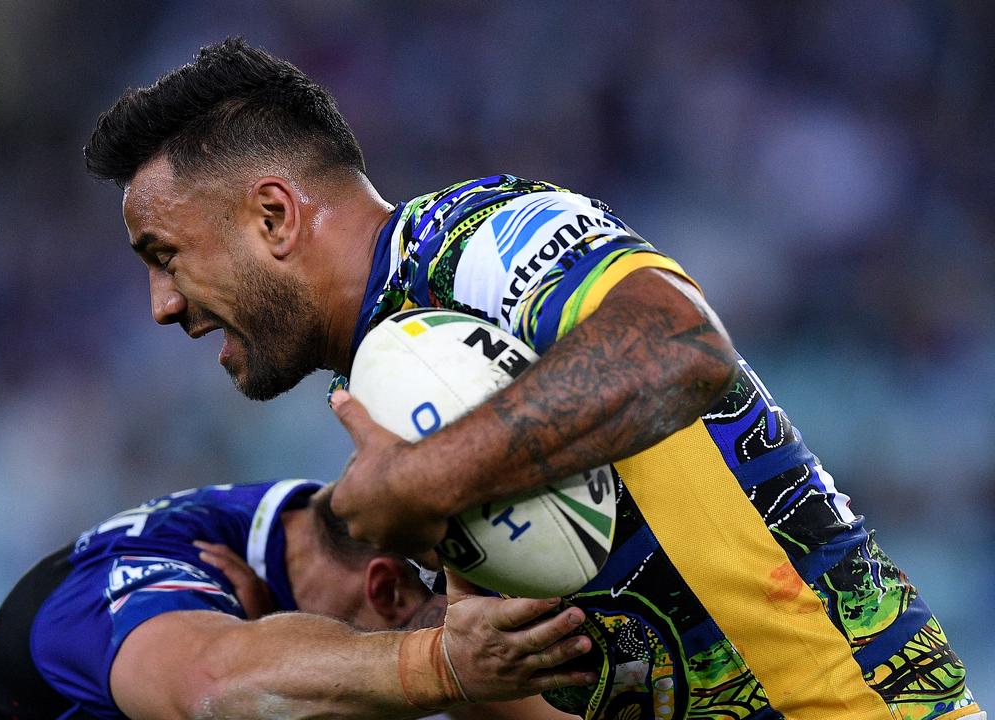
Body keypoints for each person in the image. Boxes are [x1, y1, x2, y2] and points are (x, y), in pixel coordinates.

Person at [81, 38, 983, 720]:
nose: (162, 305)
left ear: (273, 215)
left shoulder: (477, 238)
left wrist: (427, 478)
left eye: (165, 256)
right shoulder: (385, 375)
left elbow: (681, 346)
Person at [0, 479, 593, 719]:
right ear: (388, 587)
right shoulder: (130, 590)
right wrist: (441, 666)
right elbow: (215, 688)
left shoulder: (317, 523)